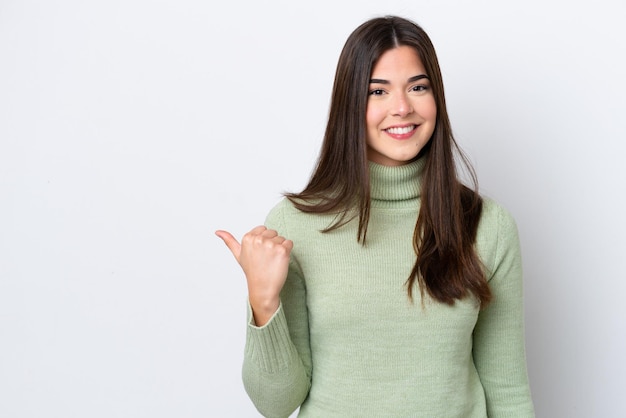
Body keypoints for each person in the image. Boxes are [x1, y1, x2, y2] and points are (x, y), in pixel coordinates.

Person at [216, 15, 535, 417]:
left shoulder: (487, 226)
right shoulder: (296, 225)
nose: (402, 108)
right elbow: (276, 404)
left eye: (418, 87)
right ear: (350, 104)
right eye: (377, 92)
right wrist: (263, 300)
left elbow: (507, 392)